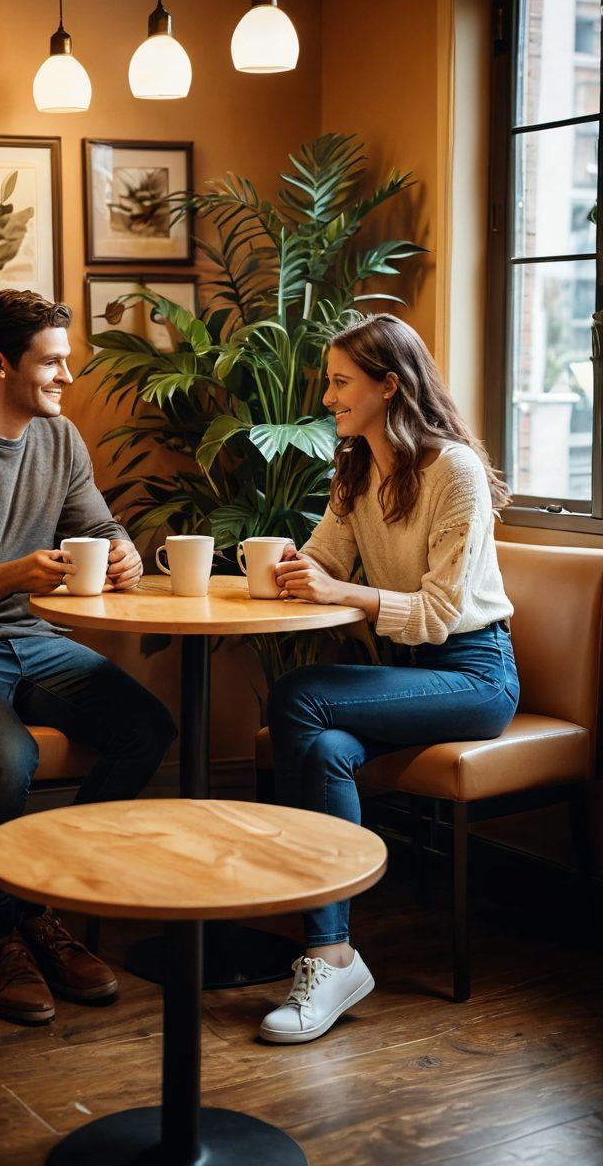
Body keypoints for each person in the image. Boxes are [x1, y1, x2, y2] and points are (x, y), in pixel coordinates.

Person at [0, 289, 176, 1025]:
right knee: (7, 758)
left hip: (41, 644)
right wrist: (15, 574)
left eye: (65, 361)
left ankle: (41, 904)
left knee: (147, 728)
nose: (66, 376)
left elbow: (102, 524)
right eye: (51, 362)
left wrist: (125, 556)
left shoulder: (63, 440)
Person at [260, 313, 518, 1045]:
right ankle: (330, 951)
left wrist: (341, 594)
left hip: (475, 675)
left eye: (341, 383)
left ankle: (315, 928)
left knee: (299, 696)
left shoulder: (454, 472)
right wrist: (285, 563)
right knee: (326, 747)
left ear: (389, 386)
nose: (327, 397)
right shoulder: (359, 467)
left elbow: (439, 613)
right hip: (408, 677)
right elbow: (325, 560)